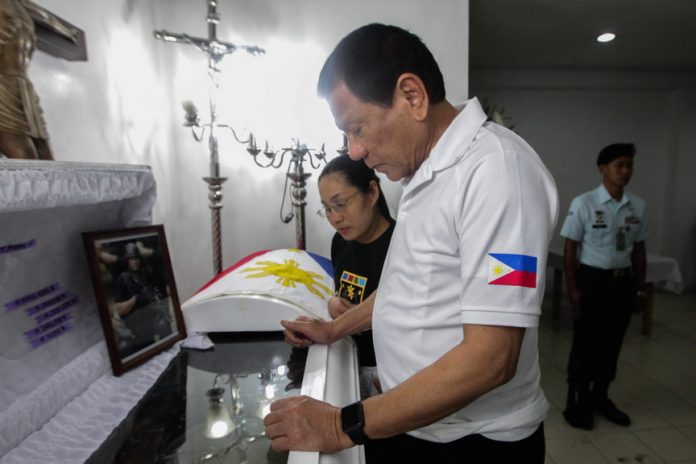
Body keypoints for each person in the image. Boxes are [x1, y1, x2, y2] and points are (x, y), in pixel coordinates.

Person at [263, 23, 559, 463]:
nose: (354, 150)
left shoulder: (497, 173)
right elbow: (406, 288)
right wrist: (333, 329)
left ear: (412, 96)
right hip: (413, 422)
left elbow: (492, 358)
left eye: (357, 127)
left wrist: (337, 425)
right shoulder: (423, 174)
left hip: (473, 444)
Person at [560, 143, 647, 430]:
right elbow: (570, 248)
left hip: (622, 283)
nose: (625, 171)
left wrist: (639, 288)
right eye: (619, 165)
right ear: (603, 169)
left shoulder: (637, 205)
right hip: (592, 281)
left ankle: (601, 396)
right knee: (586, 344)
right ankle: (579, 400)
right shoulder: (583, 203)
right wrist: (573, 289)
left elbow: (638, 250)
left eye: (629, 166)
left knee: (612, 344)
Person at [319, 154, 395, 400]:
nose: (335, 218)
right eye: (327, 209)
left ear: (371, 193)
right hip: (349, 362)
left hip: (393, 371)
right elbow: (343, 292)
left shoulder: (401, 245)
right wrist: (333, 302)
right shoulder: (341, 242)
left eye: (340, 204)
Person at [0, 0, 53, 159]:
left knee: (47, 158)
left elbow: (48, 18)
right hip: (3, 84)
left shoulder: (21, 5)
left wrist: (69, 32)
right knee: (26, 158)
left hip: (25, 88)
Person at [112, 242, 171, 357]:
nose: (134, 262)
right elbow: (120, 310)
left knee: (164, 325)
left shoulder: (145, 275)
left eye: (136, 258)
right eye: (131, 259)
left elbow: (160, 296)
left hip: (148, 325)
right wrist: (136, 298)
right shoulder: (122, 280)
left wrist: (155, 298)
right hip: (132, 331)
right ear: (127, 261)